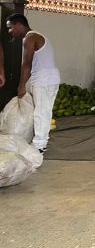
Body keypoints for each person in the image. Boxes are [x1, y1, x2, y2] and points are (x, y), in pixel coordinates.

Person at [6, 13, 60, 153]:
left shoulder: (29, 38)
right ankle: (41, 141)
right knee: (44, 111)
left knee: (41, 112)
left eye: (11, 28)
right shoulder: (38, 36)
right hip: (50, 78)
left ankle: (39, 146)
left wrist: (21, 85)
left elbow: (26, 65)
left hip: (44, 80)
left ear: (18, 24)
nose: (10, 31)